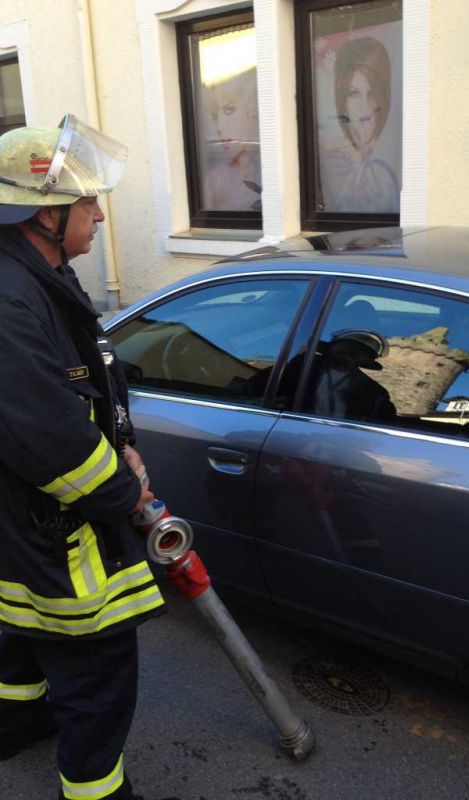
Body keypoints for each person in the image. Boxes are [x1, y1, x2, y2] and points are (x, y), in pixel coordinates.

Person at [0, 116, 178, 800]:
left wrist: (122, 440)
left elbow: (81, 388)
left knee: (18, 637)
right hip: (55, 530)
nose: (99, 216)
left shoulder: (35, 278)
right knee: (98, 675)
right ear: (44, 214)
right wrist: (125, 493)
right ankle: (97, 792)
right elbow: (47, 436)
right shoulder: (12, 299)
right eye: (86, 203)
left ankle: (17, 721)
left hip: (22, 529)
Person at [321, 36, 400, 214]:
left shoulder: (393, 151)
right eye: (354, 94)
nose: (364, 107)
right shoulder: (335, 160)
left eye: (372, 93)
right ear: (342, 97)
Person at [203, 74, 262, 211]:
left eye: (229, 110)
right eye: (216, 116)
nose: (220, 127)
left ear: (251, 111)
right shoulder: (215, 182)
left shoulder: (275, 170)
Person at [312, 329, 396, 423]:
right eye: (347, 346)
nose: (351, 353)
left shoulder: (374, 392)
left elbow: (384, 422)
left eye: (361, 351)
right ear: (333, 346)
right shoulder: (303, 365)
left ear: (367, 360)